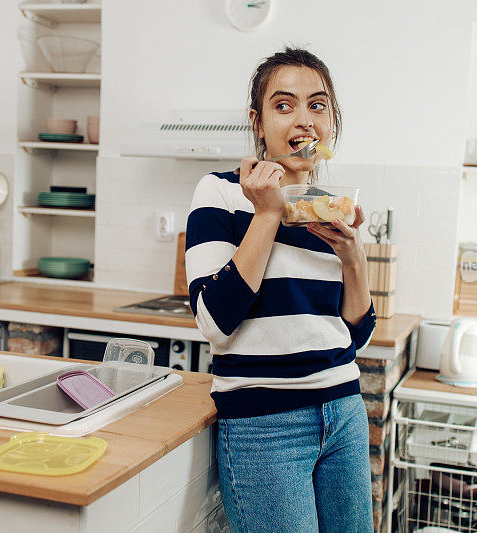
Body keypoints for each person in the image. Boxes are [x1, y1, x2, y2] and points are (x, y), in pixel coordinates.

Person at [185, 47, 375, 533]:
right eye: (284, 105)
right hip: (264, 424)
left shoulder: (328, 208)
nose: (304, 120)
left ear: (332, 121)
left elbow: (354, 336)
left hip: (345, 413)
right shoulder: (221, 193)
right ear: (259, 121)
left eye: (318, 105)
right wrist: (266, 214)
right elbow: (215, 322)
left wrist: (354, 258)